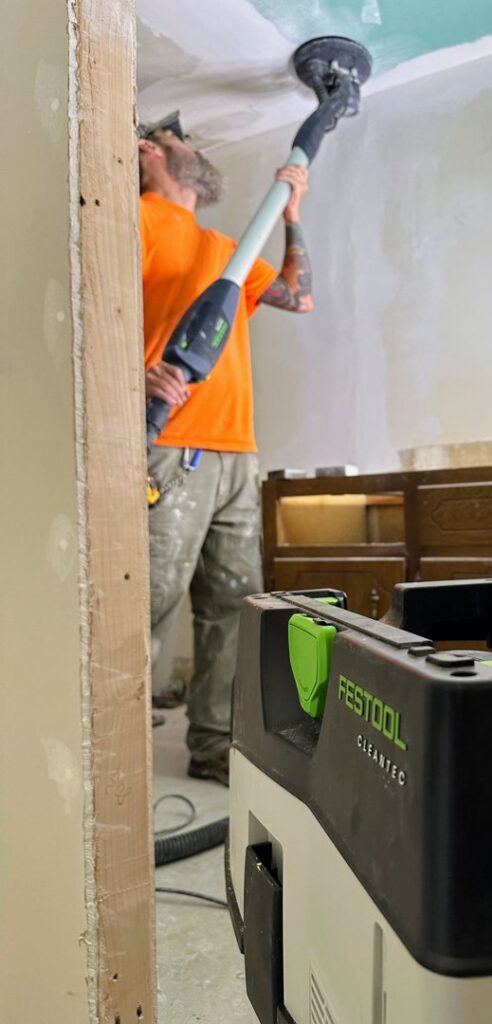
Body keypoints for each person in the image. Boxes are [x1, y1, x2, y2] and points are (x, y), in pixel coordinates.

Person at [138, 111, 314, 785]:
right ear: (147, 152)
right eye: (183, 140)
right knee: (146, 604)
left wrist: (293, 211)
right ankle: (109, 748)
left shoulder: (224, 249)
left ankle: (215, 747)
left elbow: (299, 297)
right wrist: (134, 372)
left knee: (234, 610)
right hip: (169, 446)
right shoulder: (132, 225)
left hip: (236, 453)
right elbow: (83, 313)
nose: (197, 150)